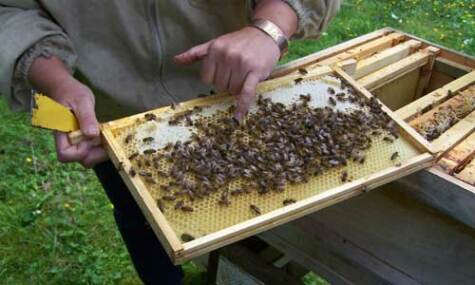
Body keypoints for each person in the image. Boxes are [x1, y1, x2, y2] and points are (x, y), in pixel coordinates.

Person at [0, 1, 340, 283]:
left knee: (258, 214)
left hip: (230, 102)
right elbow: (10, 10)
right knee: (141, 216)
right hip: (117, 123)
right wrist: (56, 81)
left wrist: (269, 28)